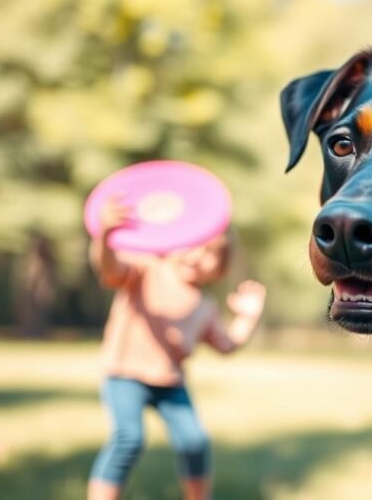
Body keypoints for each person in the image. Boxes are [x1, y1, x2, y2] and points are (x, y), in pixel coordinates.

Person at [87, 195, 265, 500]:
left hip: (170, 383)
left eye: (210, 253)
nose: (197, 256)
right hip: (125, 374)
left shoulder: (204, 306)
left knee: (195, 441)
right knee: (129, 438)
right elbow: (110, 269)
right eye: (193, 243)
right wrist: (105, 235)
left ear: (220, 267)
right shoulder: (147, 269)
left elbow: (226, 345)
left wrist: (247, 318)